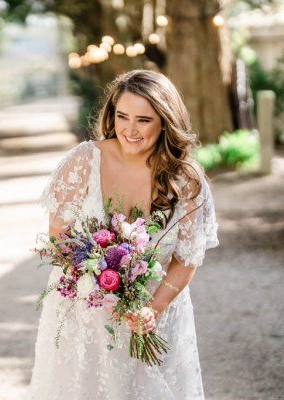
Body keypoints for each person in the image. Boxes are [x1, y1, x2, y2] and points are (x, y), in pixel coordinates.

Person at [29, 70, 219, 400]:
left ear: (165, 121)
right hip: (85, 313)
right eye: (122, 116)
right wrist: (99, 274)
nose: (130, 130)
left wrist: (152, 309)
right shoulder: (84, 161)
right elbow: (59, 238)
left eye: (143, 120)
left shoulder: (186, 180)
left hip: (155, 311)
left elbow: (187, 259)